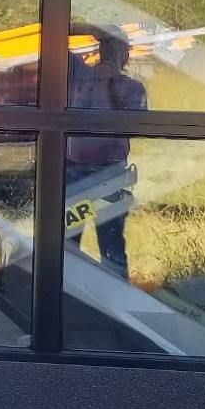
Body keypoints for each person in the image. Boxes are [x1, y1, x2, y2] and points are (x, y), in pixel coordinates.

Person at [66, 25, 147, 278]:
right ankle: (78, 297)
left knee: (98, 247)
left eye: (117, 47)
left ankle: (104, 301)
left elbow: (135, 126)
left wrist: (98, 34)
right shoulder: (80, 77)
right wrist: (98, 31)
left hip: (99, 176)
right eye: (116, 47)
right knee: (78, 246)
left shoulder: (128, 88)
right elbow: (55, 37)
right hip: (85, 174)